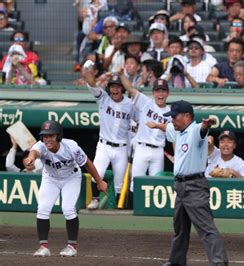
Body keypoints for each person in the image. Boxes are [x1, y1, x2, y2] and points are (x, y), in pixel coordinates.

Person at [23, 120, 108, 257]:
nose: (47, 139)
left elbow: (87, 164)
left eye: (51, 135)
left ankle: (72, 247)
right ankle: (43, 247)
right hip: (50, 178)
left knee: (68, 209)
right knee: (43, 208)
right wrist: (30, 158)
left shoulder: (71, 146)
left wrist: (99, 181)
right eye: (45, 136)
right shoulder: (41, 146)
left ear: (58, 136)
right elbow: (34, 152)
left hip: (71, 177)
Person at [163, 100, 228, 265]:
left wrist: (207, 124)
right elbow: (167, 127)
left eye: (174, 116)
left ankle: (219, 263)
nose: (172, 120)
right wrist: (156, 125)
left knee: (206, 228)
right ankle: (176, 261)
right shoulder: (179, 129)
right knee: (180, 229)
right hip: (180, 187)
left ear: (186, 116)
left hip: (194, 186)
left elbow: (203, 129)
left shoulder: (194, 130)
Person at [82, 68, 137, 210]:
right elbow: (89, 79)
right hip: (104, 145)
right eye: (112, 87)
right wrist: (103, 75)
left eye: (118, 87)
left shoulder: (130, 104)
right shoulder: (103, 98)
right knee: (96, 173)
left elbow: (138, 122)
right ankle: (94, 199)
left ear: (122, 88)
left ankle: (120, 208)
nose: (115, 90)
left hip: (122, 148)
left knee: (120, 182)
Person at [118, 71, 171, 204]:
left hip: (158, 151)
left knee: (156, 183)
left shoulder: (171, 112)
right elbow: (130, 89)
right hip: (142, 148)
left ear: (167, 93)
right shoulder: (146, 103)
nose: (160, 94)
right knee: (135, 182)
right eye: (158, 91)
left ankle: (151, 212)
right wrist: (122, 75)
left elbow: (174, 135)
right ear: (154, 93)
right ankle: (131, 210)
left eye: (163, 91)